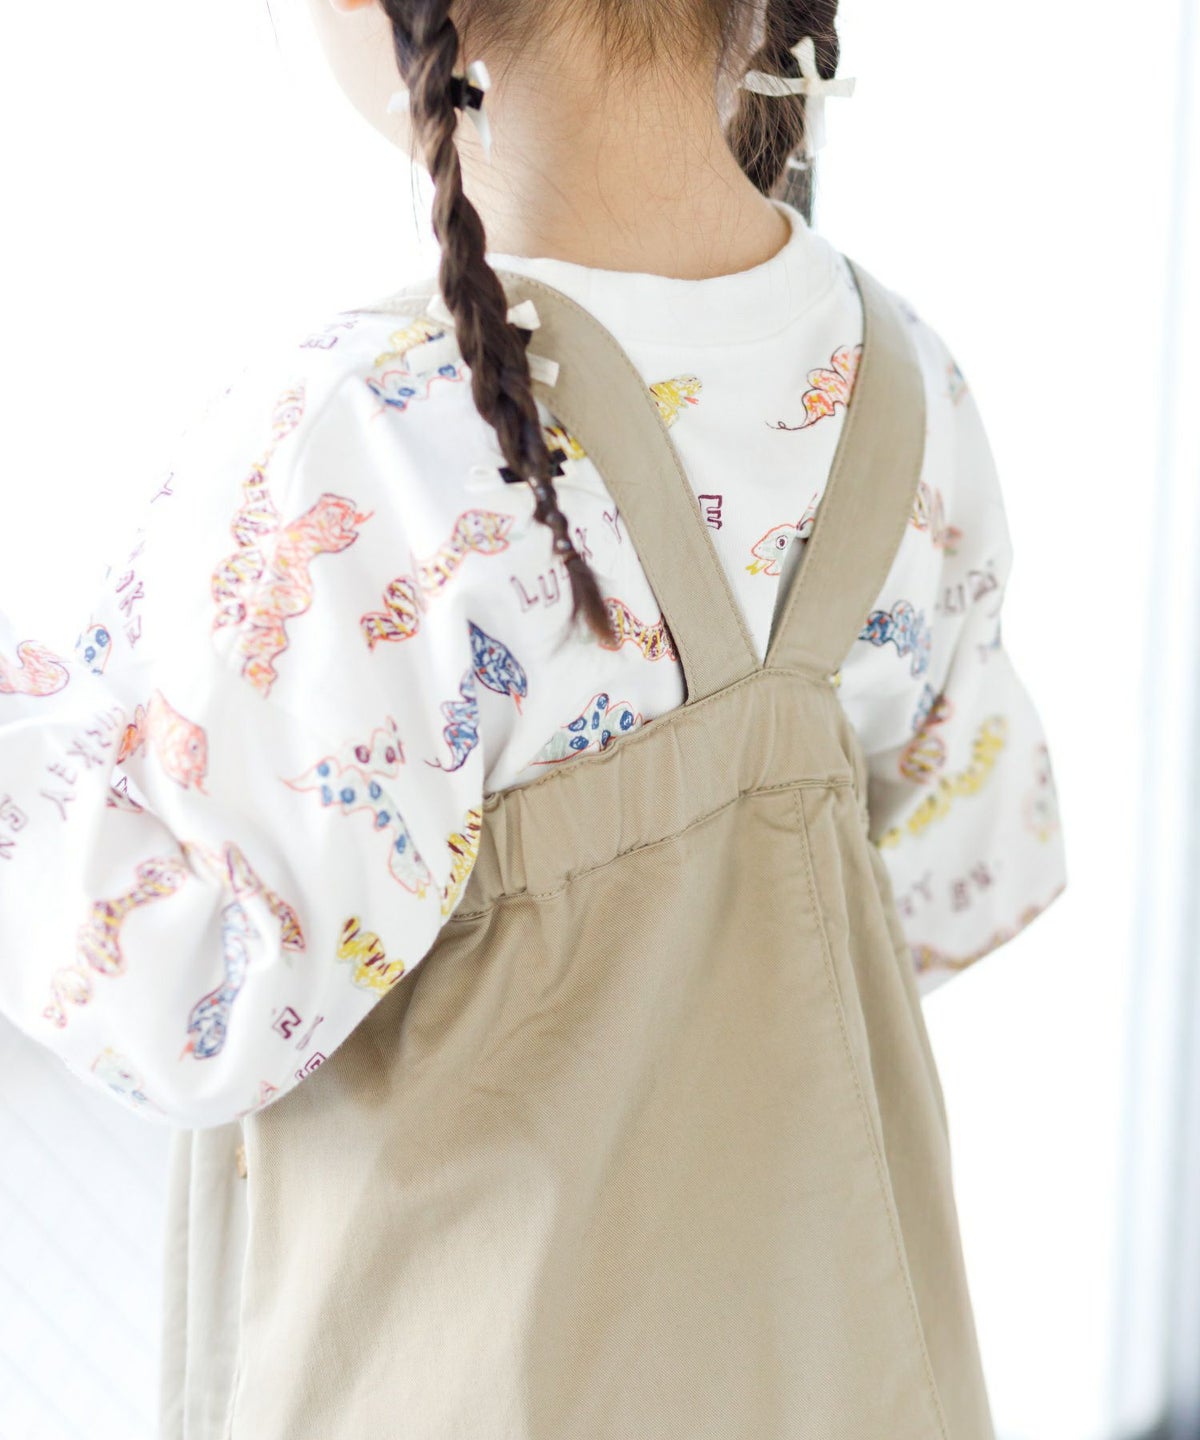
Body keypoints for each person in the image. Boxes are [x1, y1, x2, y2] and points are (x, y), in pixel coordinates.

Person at [0, 1, 1067, 1435]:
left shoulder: (365, 440)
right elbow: (958, 875)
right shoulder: (906, 384)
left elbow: (193, 1002)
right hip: (826, 1371)